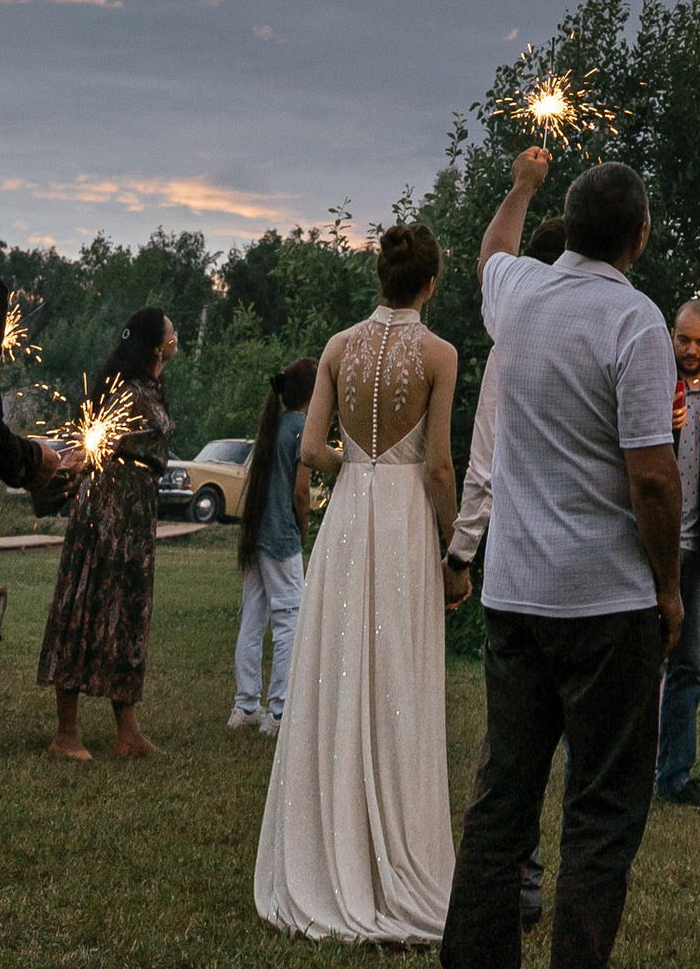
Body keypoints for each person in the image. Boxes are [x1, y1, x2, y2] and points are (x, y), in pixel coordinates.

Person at [438, 147, 681, 969]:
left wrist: (522, 185)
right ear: (638, 237)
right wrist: (670, 588)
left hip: (515, 595)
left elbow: (489, 255)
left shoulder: (522, 296)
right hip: (607, 602)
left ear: (570, 230)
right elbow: (651, 474)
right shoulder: (636, 321)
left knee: (502, 796)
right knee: (601, 813)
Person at [256, 219, 459, 939]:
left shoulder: (340, 348)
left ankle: (329, 846)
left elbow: (312, 447)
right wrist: (455, 546)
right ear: (431, 283)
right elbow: (437, 467)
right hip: (404, 521)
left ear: (382, 277)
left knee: (340, 665)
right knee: (396, 670)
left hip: (349, 519)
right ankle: (392, 856)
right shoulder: (439, 354)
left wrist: (360, 470)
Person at [446, 218, 571, 927]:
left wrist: (462, 555)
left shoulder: (515, 343)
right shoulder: (612, 330)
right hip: (582, 577)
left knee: (514, 743)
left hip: (523, 572)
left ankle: (512, 875)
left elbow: (483, 467)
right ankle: (520, 875)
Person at [39, 303, 180, 760]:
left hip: (137, 509)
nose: (177, 337)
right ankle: (66, 734)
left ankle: (128, 731)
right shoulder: (121, 389)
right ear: (156, 344)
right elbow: (90, 442)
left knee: (130, 612)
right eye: (171, 332)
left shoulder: (152, 387)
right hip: (107, 506)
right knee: (87, 603)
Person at [654, 297, 700, 811]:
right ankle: (628, 769)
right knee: (638, 663)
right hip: (652, 545)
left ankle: (676, 775)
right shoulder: (654, 382)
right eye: (684, 339)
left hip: (698, 548)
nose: (692, 349)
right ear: (671, 335)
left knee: (690, 666)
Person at [233, 357, 316, 738]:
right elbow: (301, 493)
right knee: (289, 620)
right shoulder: (302, 429)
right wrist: (304, 526)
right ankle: (278, 713)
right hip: (281, 537)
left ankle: (246, 704)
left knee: (252, 618)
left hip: (256, 534)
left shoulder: (274, 426)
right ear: (315, 393)